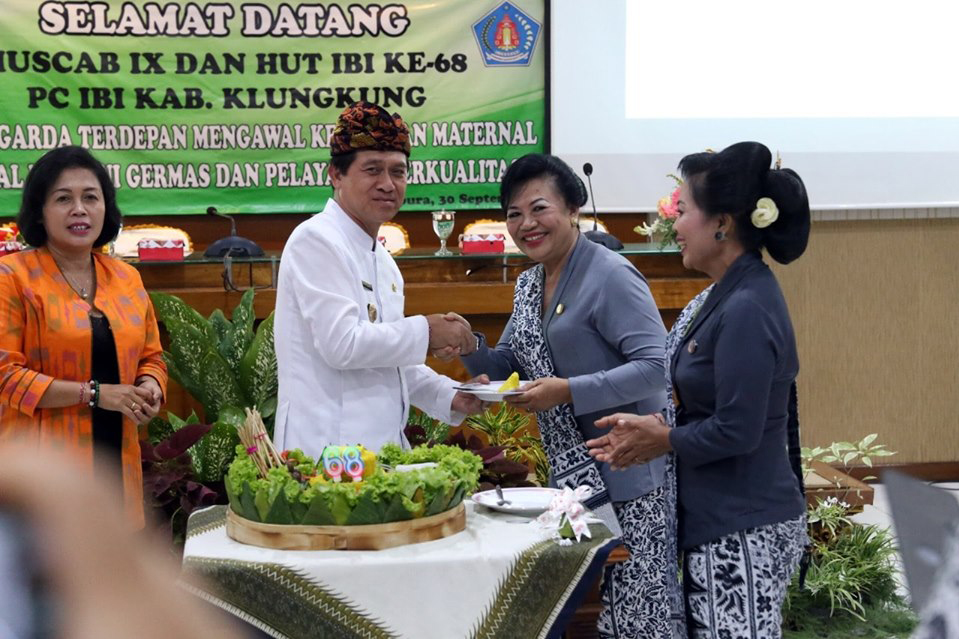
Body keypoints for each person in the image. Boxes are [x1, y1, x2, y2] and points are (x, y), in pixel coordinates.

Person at [586, 142, 810, 638]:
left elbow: (737, 430)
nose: (673, 226)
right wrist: (655, 428)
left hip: (743, 528)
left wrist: (662, 439)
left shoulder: (746, 307)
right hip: (723, 519)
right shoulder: (730, 293)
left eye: (682, 211)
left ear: (722, 223)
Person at [461, 153, 684, 638]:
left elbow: (654, 370)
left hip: (631, 472)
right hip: (576, 478)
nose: (526, 224)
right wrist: (469, 349)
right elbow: (513, 365)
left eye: (539, 208)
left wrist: (567, 392)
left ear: (573, 210)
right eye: (514, 214)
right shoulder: (528, 284)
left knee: (638, 610)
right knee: (593, 607)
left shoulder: (611, 274)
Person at [273, 101, 484, 456]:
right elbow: (343, 345)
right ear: (336, 175)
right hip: (323, 452)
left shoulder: (383, 259)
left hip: (379, 452)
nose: (388, 184)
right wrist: (427, 332)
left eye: (398, 172)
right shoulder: (316, 239)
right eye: (373, 170)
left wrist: (451, 396)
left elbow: (390, 361)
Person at [0, 145, 166, 528]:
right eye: (63, 199)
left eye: (90, 197)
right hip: (41, 474)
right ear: (40, 212)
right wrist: (95, 394)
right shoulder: (13, 277)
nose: (80, 209)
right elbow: (6, 376)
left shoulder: (126, 278)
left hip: (116, 465)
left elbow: (152, 356)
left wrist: (149, 386)